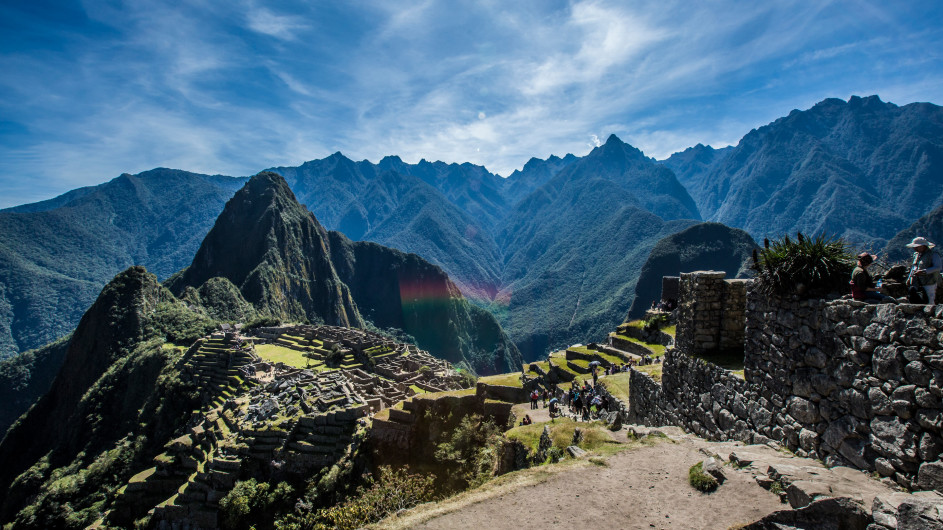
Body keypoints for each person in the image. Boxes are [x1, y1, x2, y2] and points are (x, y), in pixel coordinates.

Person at [906, 237, 941, 304]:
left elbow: (938, 267)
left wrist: (925, 271)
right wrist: (909, 278)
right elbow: (914, 267)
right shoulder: (916, 255)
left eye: (917, 247)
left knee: (930, 300)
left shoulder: (933, 254)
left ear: (923, 246)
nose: (915, 248)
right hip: (916, 282)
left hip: (929, 281)